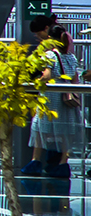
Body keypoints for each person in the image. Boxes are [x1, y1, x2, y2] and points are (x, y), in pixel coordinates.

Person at [23, 21, 82, 178]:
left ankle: (35, 161)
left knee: (39, 128)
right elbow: (75, 78)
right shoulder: (71, 57)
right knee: (65, 132)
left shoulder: (50, 55)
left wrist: (37, 83)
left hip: (51, 97)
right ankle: (63, 164)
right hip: (67, 97)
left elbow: (47, 76)